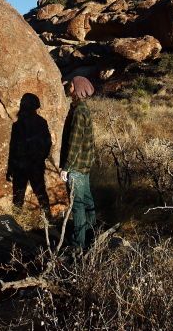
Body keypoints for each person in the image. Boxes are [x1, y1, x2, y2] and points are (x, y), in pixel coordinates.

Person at [59, 76, 97, 249]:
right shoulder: (83, 108)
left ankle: (78, 245)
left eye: (71, 85)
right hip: (85, 165)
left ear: (76, 88)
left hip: (76, 167)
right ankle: (91, 236)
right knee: (87, 201)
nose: (69, 87)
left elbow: (74, 143)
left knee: (78, 205)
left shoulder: (78, 111)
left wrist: (66, 168)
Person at [7, 93, 52, 220]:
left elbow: (13, 149)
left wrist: (10, 169)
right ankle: (48, 220)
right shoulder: (42, 122)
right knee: (41, 194)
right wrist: (40, 158)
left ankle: (16, 222)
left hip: (20, 167)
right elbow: (48, 144)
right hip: (35, 166)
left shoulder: (17, 125)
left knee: (18, 198)